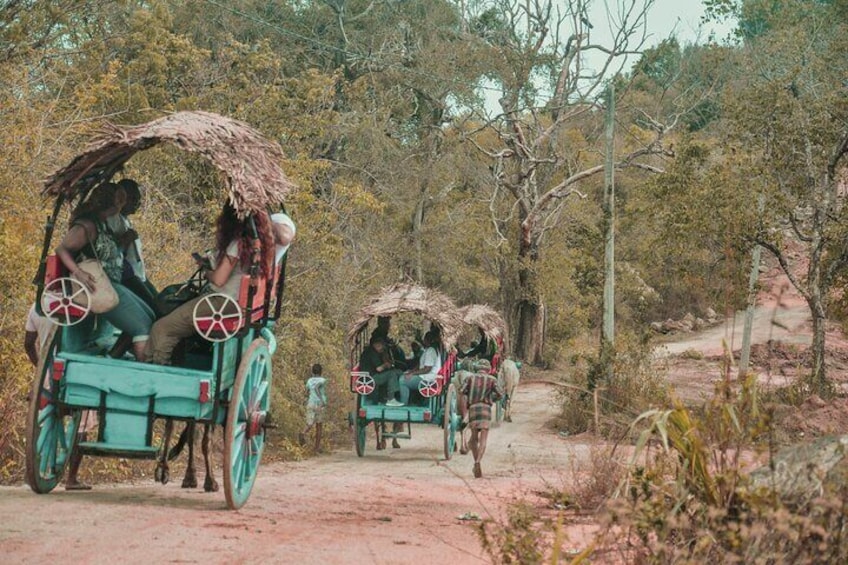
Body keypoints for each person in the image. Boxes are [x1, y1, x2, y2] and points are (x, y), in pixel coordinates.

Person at [146, 204, 275, 365]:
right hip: (241, 304)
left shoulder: (237, 244)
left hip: (221, 304)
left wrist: (205, 269)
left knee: (161, 328)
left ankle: (158, 372)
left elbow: (219, 279)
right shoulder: (265, 244)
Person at [55, 182, 155, 361]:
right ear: (114, 203)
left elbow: (111, 252)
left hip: (111, 282)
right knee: (143, 327)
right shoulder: (87, 226)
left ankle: (115, 356)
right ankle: (144, 373)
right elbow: (62, 249)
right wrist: (77, 271)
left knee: (150, 316)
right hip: (97, 286)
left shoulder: (104, 225)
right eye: (121, 201)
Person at [24, 302, 95, 490]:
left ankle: (34, 470)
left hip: (48, 374)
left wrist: (40, 367)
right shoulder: (83, 305)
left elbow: (28, 344)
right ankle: (71, 479)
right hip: (76, 371)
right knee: (80, 425)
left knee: (40, 423)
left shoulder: (37, 307)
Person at [106, 178, 159, 314]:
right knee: (151, 310)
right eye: (133, 198)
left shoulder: (124, 220)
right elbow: (108, 250)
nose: (137, 203)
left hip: (138, 274)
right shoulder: (112, 220)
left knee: (158, 303)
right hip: (126, 276)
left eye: (138, 199)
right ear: (121, 199)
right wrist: (125, 239)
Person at [460, 358, 504, 478]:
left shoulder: (469, 378)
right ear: (488, 369)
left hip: (474, 409)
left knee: (474, 439)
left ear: (477, 368)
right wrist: (491, 399)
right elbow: (501, 394)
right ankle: (478, 461)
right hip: (486, 410)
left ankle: (475, 461)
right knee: (483, 440)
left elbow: (462, 391)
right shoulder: (492, 380)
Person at [388, 330, 441, 407]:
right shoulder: (428, 350)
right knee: (404, 374)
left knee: (402, 380)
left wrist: (412, 374)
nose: (423, 341)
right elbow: (420, 365)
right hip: (425, 376)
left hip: (427, 380)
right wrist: (411, 371)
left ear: (428, 340)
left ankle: (404, 403)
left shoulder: (431, 351)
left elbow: (427, 369)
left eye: (425, 339)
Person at [299, 363, 327, 452]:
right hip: (319, 405)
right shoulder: (323, 380)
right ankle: (316, 448)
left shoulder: (309, 380)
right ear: (321, 372)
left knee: (309, 423)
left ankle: (303, 433)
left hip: (310, 403)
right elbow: (317, 388)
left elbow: (306, 391)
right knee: (319, 426)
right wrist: (322, 400)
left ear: (312, 372)